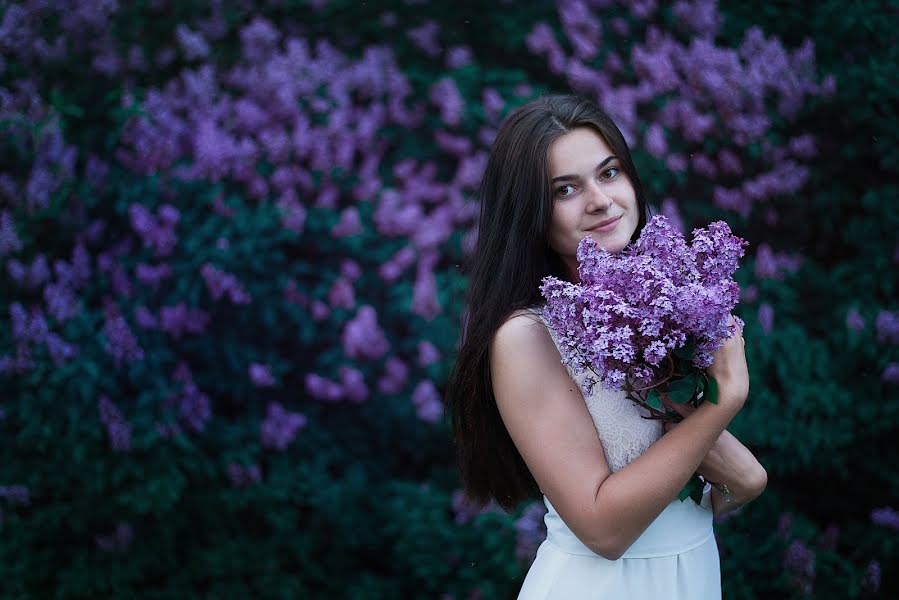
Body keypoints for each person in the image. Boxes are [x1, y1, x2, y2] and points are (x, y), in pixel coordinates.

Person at [445, 95, 767, 599]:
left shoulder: (655, 310)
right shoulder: (527, 336)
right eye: (566, 189)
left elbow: (685, 452)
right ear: (531, 214)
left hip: (689, 577)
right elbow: (603, 530)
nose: (599, 199)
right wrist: (723, 404)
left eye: (609, 172)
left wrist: (744, 476)